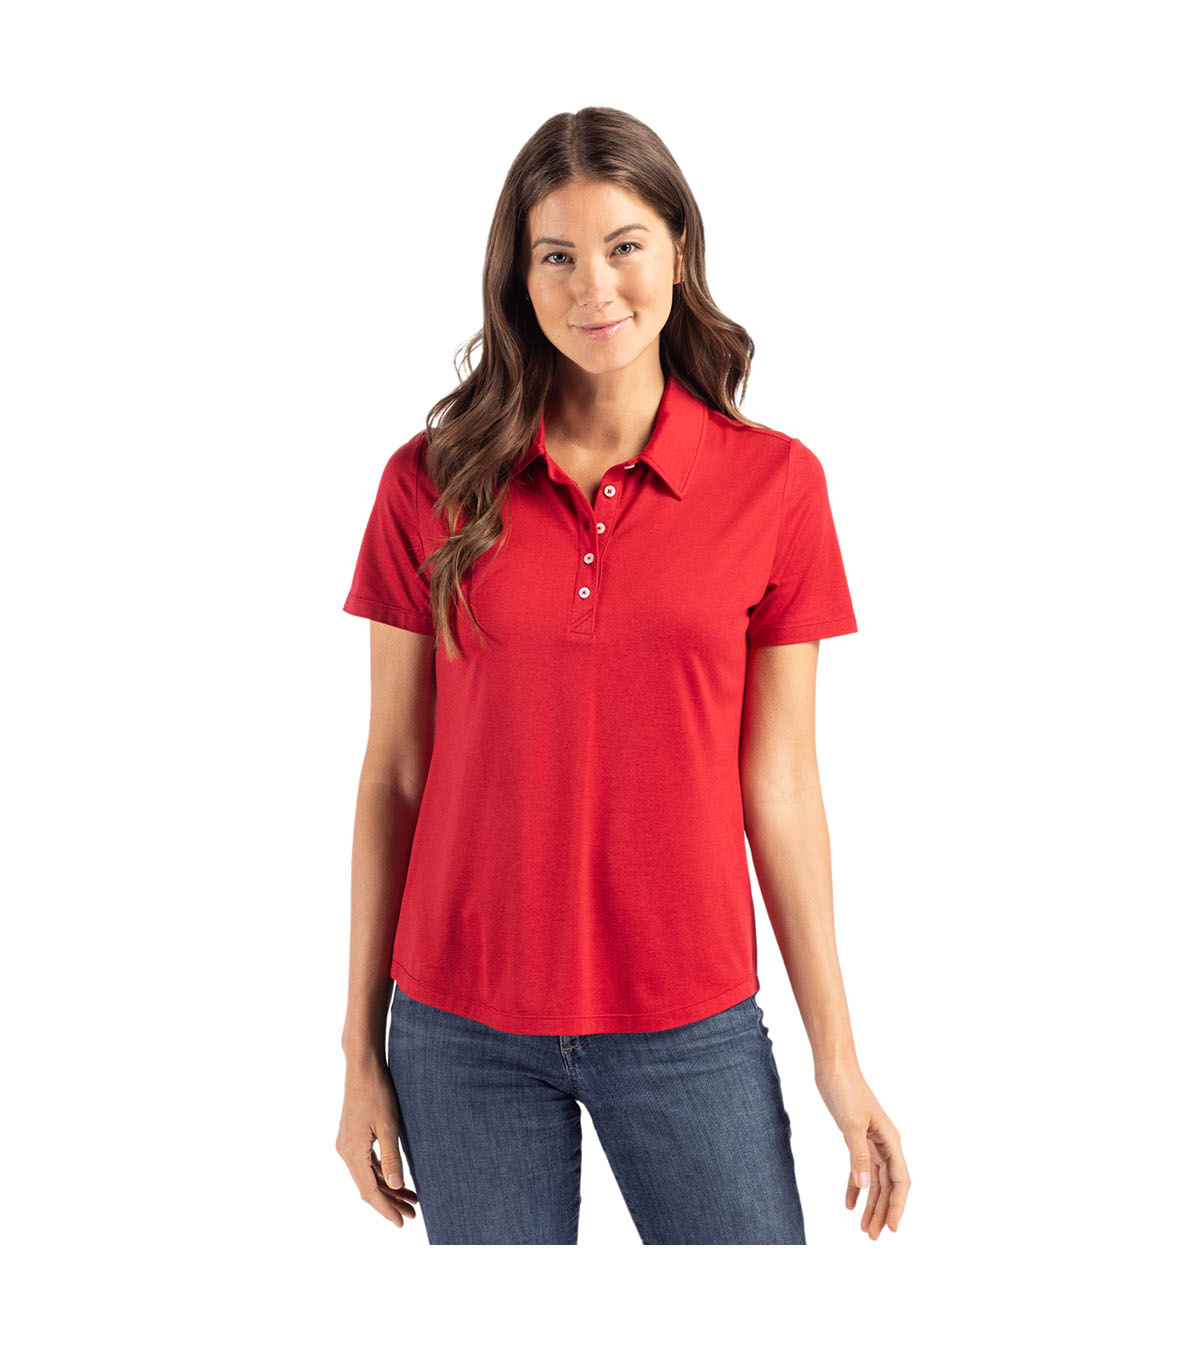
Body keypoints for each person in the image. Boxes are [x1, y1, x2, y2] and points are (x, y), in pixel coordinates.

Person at [334, 106, 911, 1245]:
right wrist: (359, 1049)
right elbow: (393, 773)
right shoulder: (429, 482)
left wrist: (837, 1059)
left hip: (689, 1017)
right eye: (557, 255)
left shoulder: (777, 486)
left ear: (678, 252)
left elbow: (782, 785)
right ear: (519, 278)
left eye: (624, 245)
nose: (594, 286)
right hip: (459, 1026)